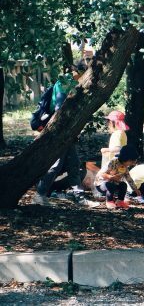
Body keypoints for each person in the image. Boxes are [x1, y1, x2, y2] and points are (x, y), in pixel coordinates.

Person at [33, 63, 99, 208]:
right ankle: (40, 194)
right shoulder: (64, 83)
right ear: (79, 72)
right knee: (56, 165)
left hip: (67, 134)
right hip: (60, 133)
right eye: (86, 73)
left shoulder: (73, 84)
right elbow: (60, 111)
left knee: (73, 164)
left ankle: (80, 198)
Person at [95, 145, 140, 210]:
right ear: (126, 159)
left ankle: (120, 201)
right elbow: (101, 174)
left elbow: (129, 179)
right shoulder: (113, 162)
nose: (132, 164)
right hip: (101, 184)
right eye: (131, 162)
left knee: (123, 185)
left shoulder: (124, 167)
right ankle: (109, 201)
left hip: (114, 183)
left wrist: (135, 189)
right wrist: (110, 177)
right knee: (109, 185)